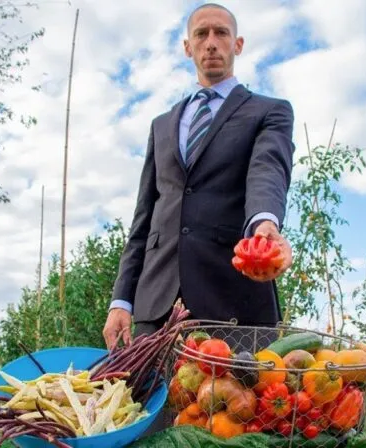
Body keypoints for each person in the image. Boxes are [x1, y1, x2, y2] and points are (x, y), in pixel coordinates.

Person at [102, 2, 296, 352]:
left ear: (237, 44)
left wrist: (264, 223)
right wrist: (122, 301)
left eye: (221, 33)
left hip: (233, 303)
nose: (211, 42)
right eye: (201, 34)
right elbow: (144, 218)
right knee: (151, 407)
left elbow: (268, 168)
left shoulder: (269, 111)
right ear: (187, 47)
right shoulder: (161, 125)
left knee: (233, 407)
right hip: (156, 307)